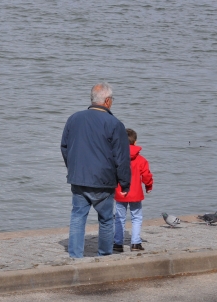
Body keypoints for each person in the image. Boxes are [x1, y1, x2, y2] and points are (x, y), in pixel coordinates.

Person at [60, 82, 131, 258]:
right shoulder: (115, 124)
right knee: (106, 219)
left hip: (79, 178)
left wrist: (73, 169)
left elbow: (65, 147)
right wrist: (125, 183)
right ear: (107, 101)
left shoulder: (74, 118)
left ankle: (75, 256)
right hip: (103, 181)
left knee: (78, 217)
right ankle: (104, 255)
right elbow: (121, 157)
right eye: (112, 99)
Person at [113, 129, 153, 252]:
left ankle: (118, 243)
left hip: (120, 192)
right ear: (135, 142)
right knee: (136, 217)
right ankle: (135, 243)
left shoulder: (116, 157)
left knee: (119, 217)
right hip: (135, 193)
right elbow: (146, 175)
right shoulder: (141, 160)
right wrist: (148, 186)